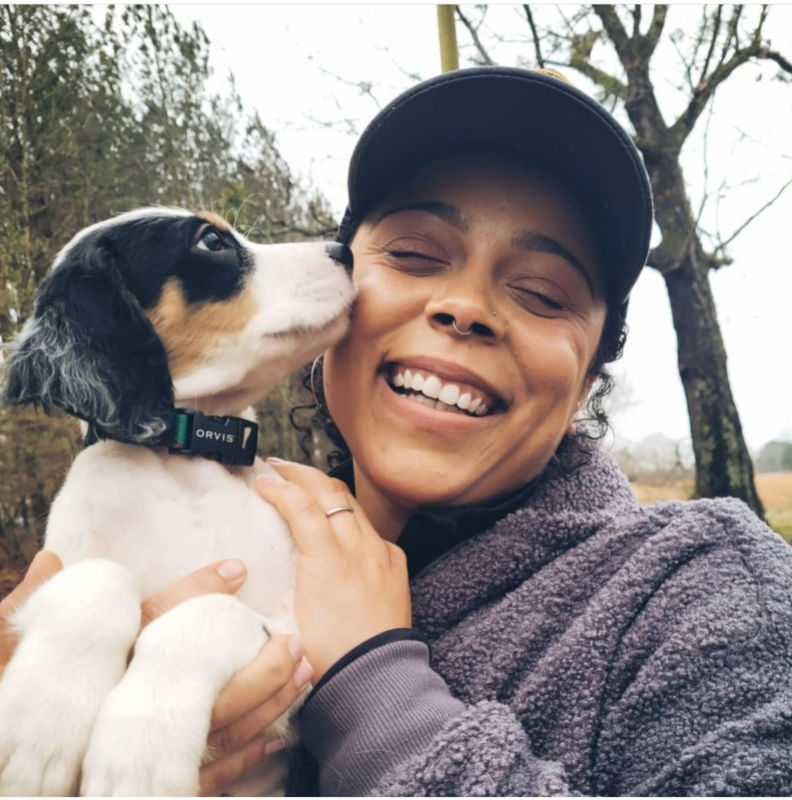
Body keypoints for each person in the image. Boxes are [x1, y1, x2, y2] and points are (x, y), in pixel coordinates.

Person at [3, 66, 792, 796]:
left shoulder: (704, 589)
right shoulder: (230, 501)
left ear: (588, 377)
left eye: (545, 293)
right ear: (341, 304)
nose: (466, 307)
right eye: (415, 253)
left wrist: (375, 691)